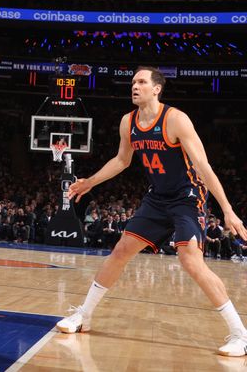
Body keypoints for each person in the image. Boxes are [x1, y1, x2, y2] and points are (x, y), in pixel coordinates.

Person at [57, 66, 247, 357]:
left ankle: (240, 334)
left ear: (157, 88)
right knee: (120, 250)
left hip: (187, 196)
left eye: (142, 82)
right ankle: (83, 315)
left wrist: (227, 210)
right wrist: (90, 182)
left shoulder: (175, 119)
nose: (135, 86)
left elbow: (203, 167)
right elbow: (121, 160)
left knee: (190, 260)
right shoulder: (128, 122)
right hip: (157, 198)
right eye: (133, 82)